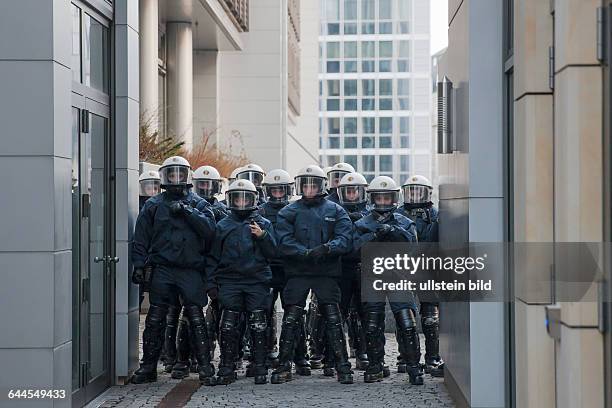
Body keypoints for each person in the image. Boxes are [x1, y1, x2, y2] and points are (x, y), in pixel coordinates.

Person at [131, 156, 217, 385]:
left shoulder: (199, 203)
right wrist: (139, 265)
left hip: (190, 269)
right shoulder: (154, 204)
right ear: (164, 176)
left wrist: (188, 212)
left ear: (187, 176)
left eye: (180, 173)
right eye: (172, 174)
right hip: (163, 268)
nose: (176, 178)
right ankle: (149, 366)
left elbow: (210, 231)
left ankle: (205, 367)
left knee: (196, 318)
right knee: (156, 318)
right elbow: (140, 238)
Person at [271, 165, 354, 385]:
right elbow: (283, 240)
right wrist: (303, 253)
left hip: (326, 272)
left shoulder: (336, 210)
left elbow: (345, 239)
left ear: (321, 186)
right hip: (298, 272)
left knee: (334, 319)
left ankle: (342, 366)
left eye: (313, 184)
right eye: (305, 184)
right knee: (291, 319)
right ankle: (283, 366)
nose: (308, 188)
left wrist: (327, 249)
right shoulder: (288, 211)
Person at [353, 176, 423, 385]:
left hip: (398, 277)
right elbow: (354, 250)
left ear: (394, 198)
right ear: (372, 198)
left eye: (387, 198)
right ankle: (375, 365)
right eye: (379, 198)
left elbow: (413, 250)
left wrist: (394, 233)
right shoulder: (362, 223)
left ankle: (413, 366)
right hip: (372, 277)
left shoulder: (404, 222)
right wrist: (373, 237)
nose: (383, 202)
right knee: (372, 324)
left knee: (407, 322)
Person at [207, 180, 277, 385]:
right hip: (230, 281)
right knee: (228, 324)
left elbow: (273, 253)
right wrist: (211, 284)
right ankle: (227, 365)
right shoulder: (223, 225)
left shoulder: (263, 223)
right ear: (231, 199)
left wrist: (262, 236)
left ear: (253, 199)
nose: (241, 202)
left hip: (256, 281)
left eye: (246, 198)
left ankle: (259, 365)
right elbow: (212, 257)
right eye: (237, 198)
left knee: (258, 324)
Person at [259, 169, 311, 376]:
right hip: (267, 267)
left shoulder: (296, 209)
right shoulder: (260, 211)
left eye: (282, 189)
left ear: (288, 190)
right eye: (274, 190)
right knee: (262, 313)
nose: (278, 193)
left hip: (291, 268)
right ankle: (264, 354)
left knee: (294, 314)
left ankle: (300, 356)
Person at [396, 175, 444, 377]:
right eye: (411, 191)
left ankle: (432, 357)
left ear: (427, 193)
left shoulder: (435, 215)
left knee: (431, 317)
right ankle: (405, 357)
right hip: (402, 270)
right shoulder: (397, 214)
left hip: (427, 270)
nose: (414, 195)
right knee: (405, 315)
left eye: (419, 191)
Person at [337, 173, 370, 371]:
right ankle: (336, 355)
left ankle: (362, 351)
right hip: (342, 267)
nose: (351, 194)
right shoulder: (334, 211)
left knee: (363, 312)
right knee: (337, 312)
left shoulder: (371, 212)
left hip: (365, 267)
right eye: (348, 191)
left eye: (355, 190)